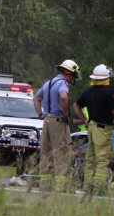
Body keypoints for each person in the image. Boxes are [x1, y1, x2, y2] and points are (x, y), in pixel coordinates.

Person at [33, 59, 85, 189]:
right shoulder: (63, 84)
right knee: (61, 154)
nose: (73, 78)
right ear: (69, 73)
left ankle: (45, 185)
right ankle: (62, 186)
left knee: (46, 154)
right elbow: (64, 97)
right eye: (73, 75)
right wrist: (65, 114)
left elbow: (36, 98)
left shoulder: (48, 83)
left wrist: (41, 114)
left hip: (47, 121)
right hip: (58, 122)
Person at [77, 64, 114, 193]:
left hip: (90, 127)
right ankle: (98, 188)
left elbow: (75, 106)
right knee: (102, 159)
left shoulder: (88, 91)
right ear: (106, 78)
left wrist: (84, 119)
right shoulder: (108, 92)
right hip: (103, 128)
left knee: (90, 159)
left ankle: (88, 186)